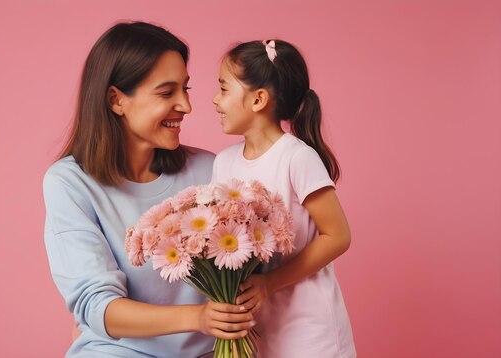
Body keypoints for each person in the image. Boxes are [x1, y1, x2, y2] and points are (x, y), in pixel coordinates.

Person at [43, 22, 255, 358]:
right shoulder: (70, 182)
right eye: (166, 92)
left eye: (186, 89)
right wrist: (198, 318)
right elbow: (98, 307)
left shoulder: (210, 171)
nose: (186, 106)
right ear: (116, 100)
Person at [211, 39, 356, 357]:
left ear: (258, 99)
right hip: (259, 331)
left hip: (309, 333)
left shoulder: (296, 158)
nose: (215, 100)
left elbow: (338, 236)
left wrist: (270, 283)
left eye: (223, 89)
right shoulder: (223, 162)